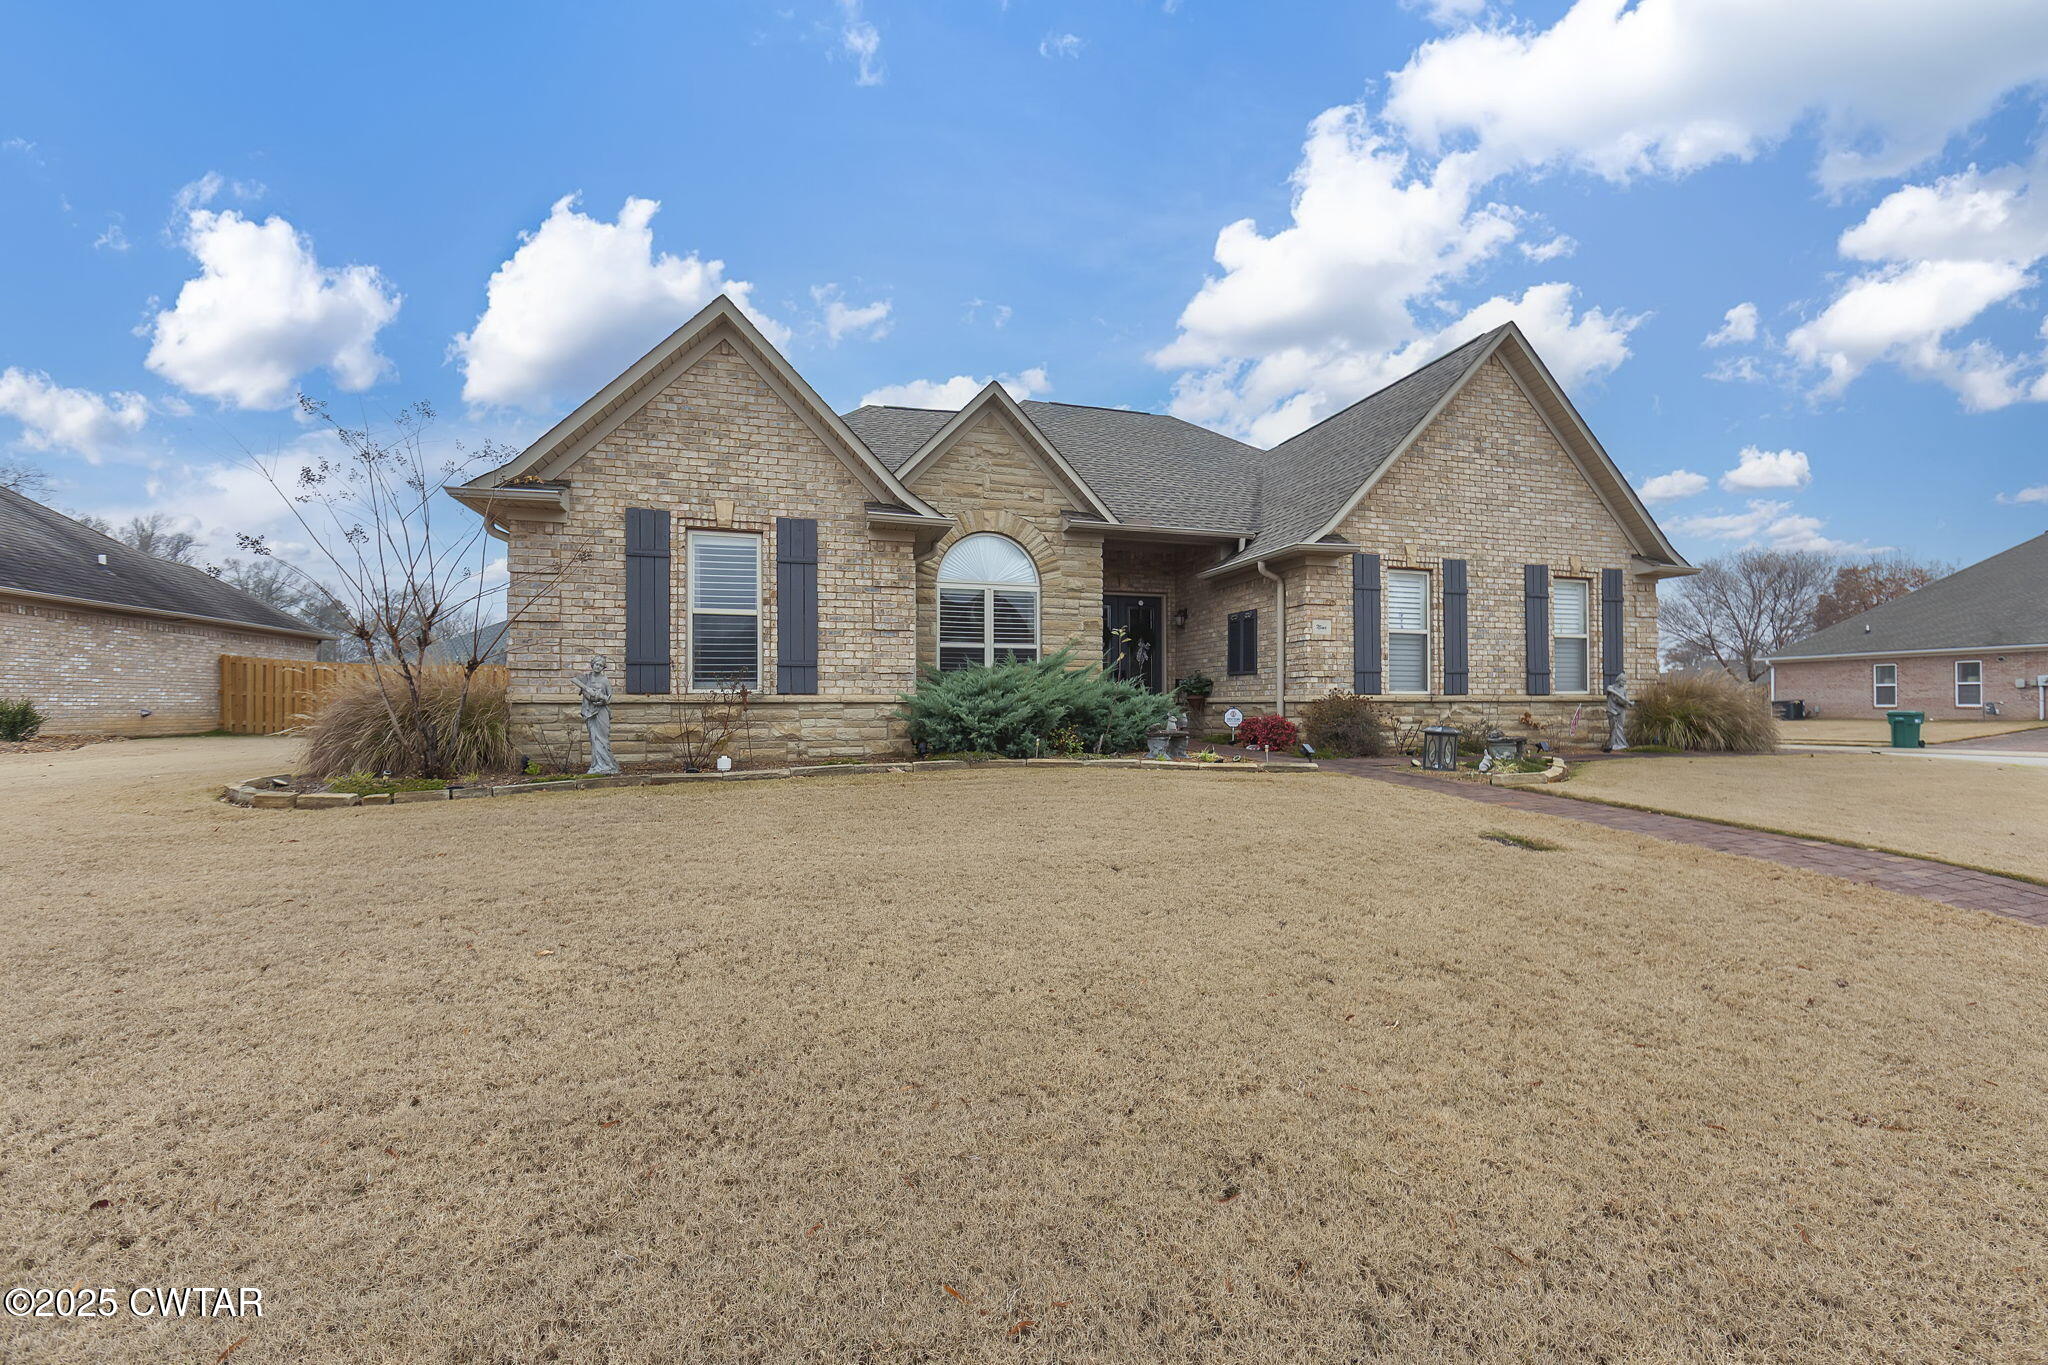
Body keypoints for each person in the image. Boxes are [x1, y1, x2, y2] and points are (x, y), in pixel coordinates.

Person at [573, 655, 620, 775]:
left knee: (603, 738)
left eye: (601, 665)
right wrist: (587, 691)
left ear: (603, 667)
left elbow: (609, 698)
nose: (598, 667)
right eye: (596, 664)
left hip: (601, 711)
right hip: (590, 711)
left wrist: (602, 700)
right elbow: (575, 681)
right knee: (594, 738)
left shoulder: (605, 680)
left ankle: (608, 765)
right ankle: (598, 765)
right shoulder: (586, 678)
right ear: (592, 664)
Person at [1603, 671, 1634, 754]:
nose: (1624, 683)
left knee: (1620, 727)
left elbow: (1625, 701)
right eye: (1623, 681)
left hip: (1621, 710)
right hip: (1612, 710)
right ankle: (1612, 744)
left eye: (1625, 681)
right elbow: (1610, 691)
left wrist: (1628, 702)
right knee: (1613, 728)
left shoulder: (1624, 690)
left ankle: (1621, 743)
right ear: (1619, 680)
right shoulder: (1611, 687)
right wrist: (1620, 697)